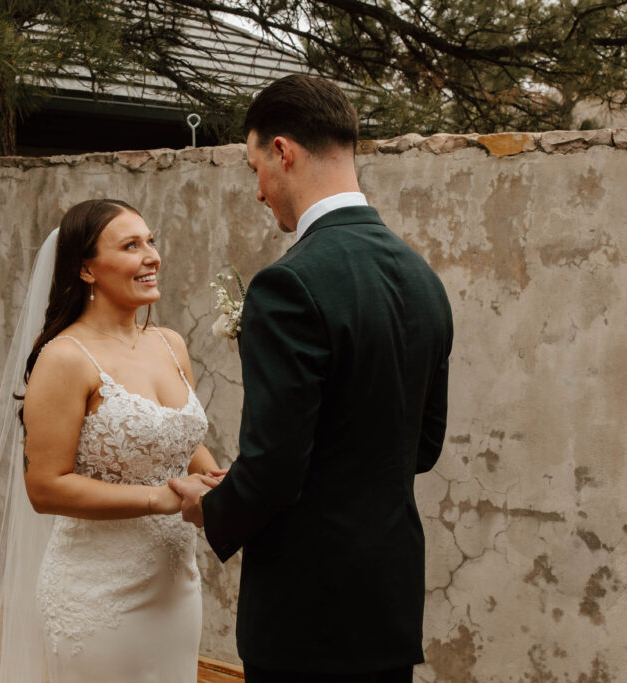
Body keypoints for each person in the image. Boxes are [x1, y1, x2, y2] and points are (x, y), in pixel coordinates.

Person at [171, 75, 454, 682]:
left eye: (254, 168)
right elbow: (423, 446)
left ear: (282, 151)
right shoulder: (422, 277)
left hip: (307, 613)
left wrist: (213, 504)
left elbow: (275, 467)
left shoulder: (289, 283)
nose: (258, 192)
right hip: (387, 601)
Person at [0, 199, 220, 682]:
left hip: (177, 585)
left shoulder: (171, 343)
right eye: (131, 245)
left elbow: (181, 441)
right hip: (98, 596)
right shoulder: (66, 358)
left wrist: (218, 480)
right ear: (86, 269)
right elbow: (44, 487)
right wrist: (157, 499)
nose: (152, 256)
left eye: (150, 241)